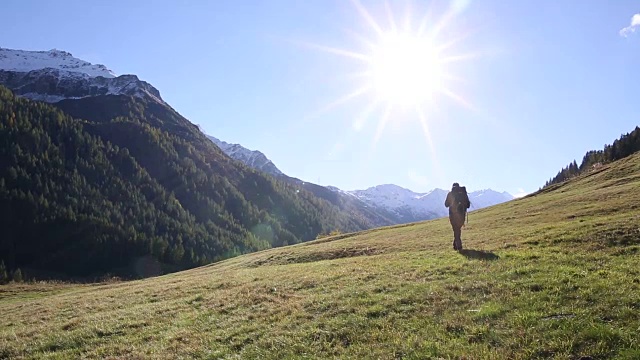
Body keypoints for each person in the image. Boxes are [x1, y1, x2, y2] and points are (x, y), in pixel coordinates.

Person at [444, 182, 470, 250]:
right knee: (457, 230)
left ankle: (459, 246)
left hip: (453, 215)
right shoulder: (463, 193)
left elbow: (446, 204)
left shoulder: (450, 194)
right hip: (462, 215)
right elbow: (468, 205)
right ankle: (455, 245)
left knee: (456, 230)